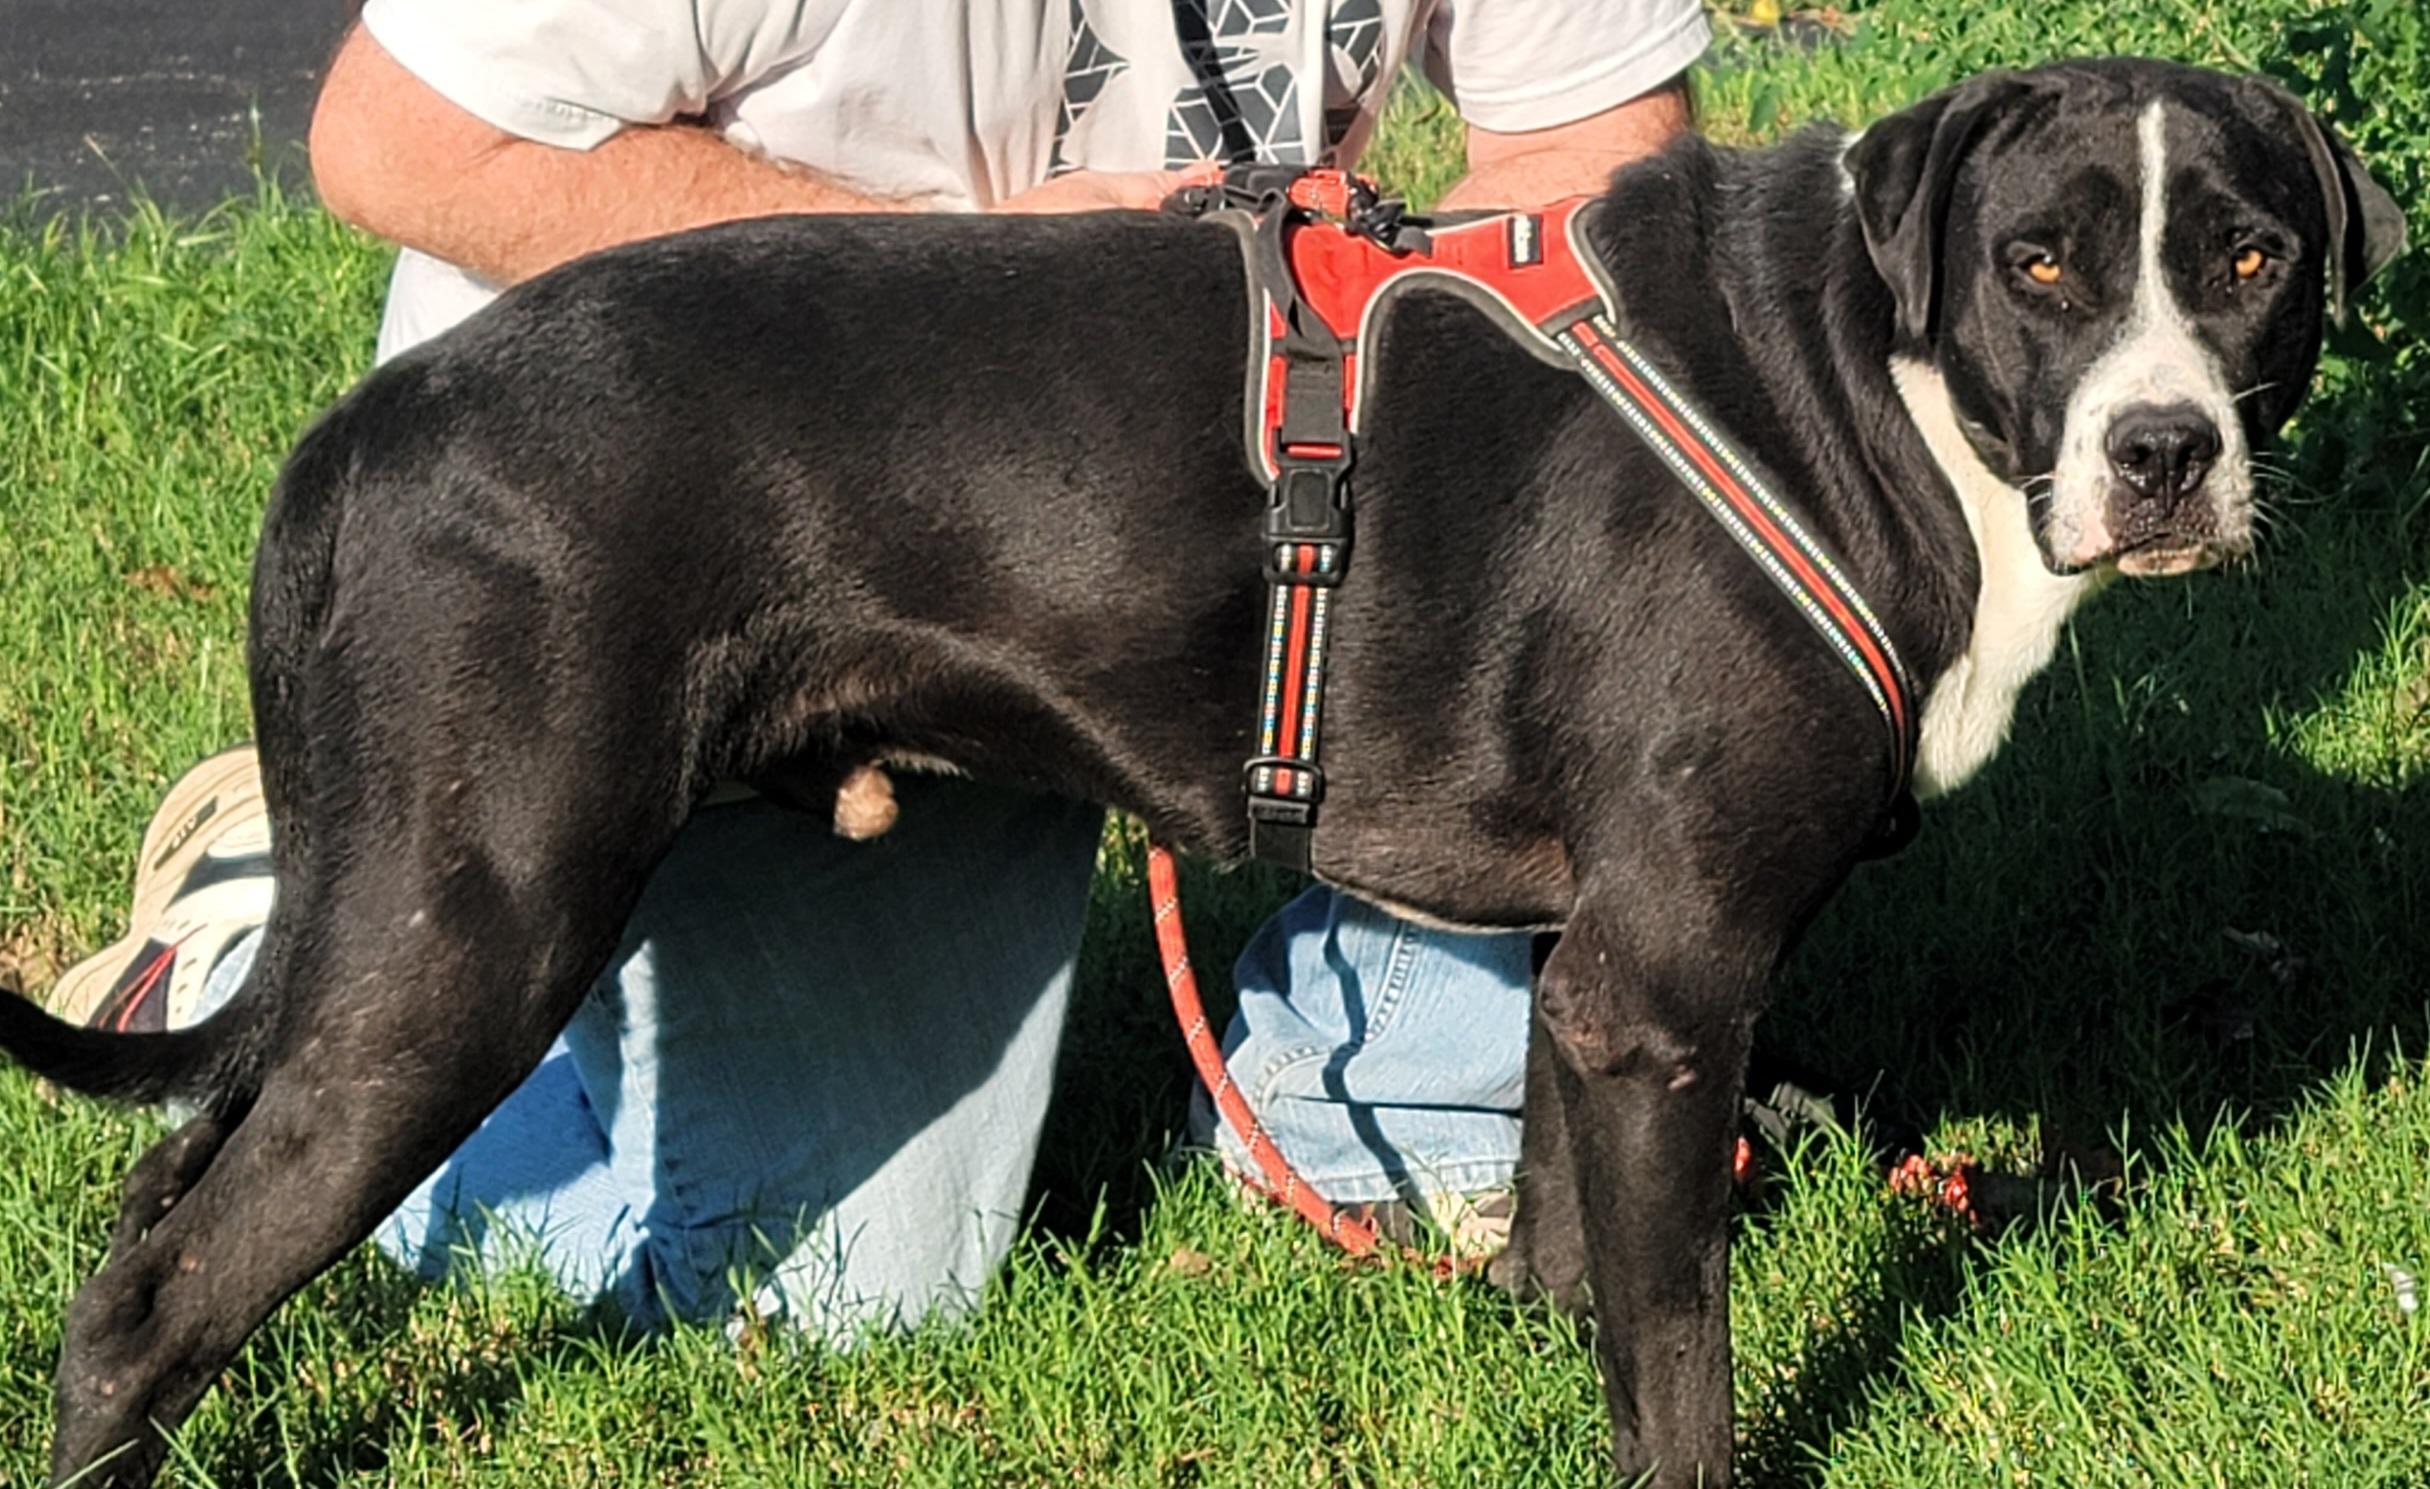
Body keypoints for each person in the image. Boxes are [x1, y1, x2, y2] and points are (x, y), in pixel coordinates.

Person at [51, 0, 1706, 1339]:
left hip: (1115, 556)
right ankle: (289, 942)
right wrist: (998, 278)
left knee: (868, 1293)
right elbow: (400, 139)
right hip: (613, 522)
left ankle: (1356, 1100)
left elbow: (1599, 151)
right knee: (767, 1258)